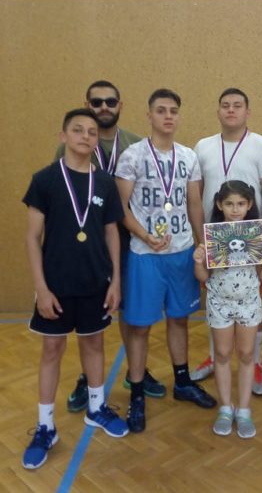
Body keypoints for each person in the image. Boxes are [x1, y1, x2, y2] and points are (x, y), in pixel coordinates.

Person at [22, 108, 129, 470]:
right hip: (55, 285)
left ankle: (96, 408)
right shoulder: (45, 180)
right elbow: (32, 237)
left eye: (92, 132)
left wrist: (116, 281)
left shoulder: (105, 183)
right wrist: (41, 287)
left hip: (96, 283)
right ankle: (46, 427)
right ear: (63, 136)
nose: (86, 136)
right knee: (52, 349)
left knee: (94, 343)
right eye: (78, 130)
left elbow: (112, 232)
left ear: (97, 141)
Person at [57, 81, 165, 414]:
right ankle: (86, 378)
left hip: (130, 242)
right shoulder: (70, 147)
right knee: (90, 320)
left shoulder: (136, 144)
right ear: (86, 103)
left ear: (120, 105)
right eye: (97, 101)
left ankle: (136, 372)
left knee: (133, 315)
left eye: (110, 101)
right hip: (87, 248)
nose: (104, 106)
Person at [115, 88, 217, 434]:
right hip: (145, 254)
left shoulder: (188, 156)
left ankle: (182, 382)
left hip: (182, 252)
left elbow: (194, 204)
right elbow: (121, 207)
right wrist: (145, 236)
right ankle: (137, 393)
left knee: (179, 319)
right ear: (149, 115)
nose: (168, 116)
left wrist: (203, 246)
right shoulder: (132, 155)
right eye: (161, 110)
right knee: (140, 326)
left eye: (173, 110)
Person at [191, 88, 262, 395]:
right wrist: (200, 239)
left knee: (251, 299)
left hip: (250, 240)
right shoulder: (203, 146)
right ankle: (215, 355)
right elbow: (196, 196)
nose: (231, 110)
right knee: (216, 298)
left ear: (247, 112)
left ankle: (252, 360)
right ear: (218, 111)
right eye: (225, 105)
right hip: (214, 238)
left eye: (237, 105)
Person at [193, 181, 262, 438]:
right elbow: (203, 276)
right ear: (219, 204)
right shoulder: (213, 236)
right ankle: (225, 408)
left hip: (249, 302)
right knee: (221, 354)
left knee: (246, 354)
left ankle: (243, 410)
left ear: (249, 205)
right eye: (229, 204)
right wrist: (198, 261)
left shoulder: (255, 235)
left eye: (241, 204)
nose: (235, 209)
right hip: (219, 302)